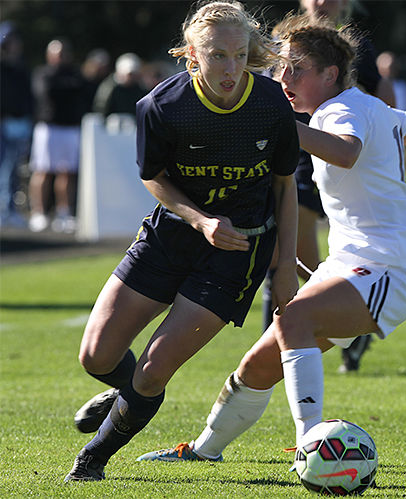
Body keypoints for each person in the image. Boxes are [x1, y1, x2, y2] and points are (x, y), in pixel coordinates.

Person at [134, 13, 406, 464]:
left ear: (331, 74)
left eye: (297, 68)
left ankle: (313, 448)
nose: (283, 77)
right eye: (280, 67)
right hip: (351, 266)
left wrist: (278, 125)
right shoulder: (371, 107)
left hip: (387, 268)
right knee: (257, 366)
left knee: (291, 323)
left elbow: (345, 152)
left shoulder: (343, 110)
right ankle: (204, 451)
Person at [63, 0, 299, 482]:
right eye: (217, 56)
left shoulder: (272, 103)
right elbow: (153, 177)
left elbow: (284, 185)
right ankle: (128, 396)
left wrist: (286, 267)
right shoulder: (161, 106)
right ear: (193, 54)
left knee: (152, 371)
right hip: (172, 235)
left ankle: (92, 460)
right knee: (96, 356)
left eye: (238, 55)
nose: (230, 68)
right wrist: (199, 218)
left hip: (235, 254)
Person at [261, 0, 396, 373]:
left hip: (333, 150)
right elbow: (266, 88)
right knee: (285, 246)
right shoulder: (282, 39)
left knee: (309, 243)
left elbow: (383, 97)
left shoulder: (355, 46)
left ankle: (339, 313)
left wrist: (387, 141)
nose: (321, 1)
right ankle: (315, 312)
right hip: (291, 148)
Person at [28, 38, 87, 233]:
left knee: (67, 172)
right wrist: (66, 89)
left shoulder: (75, 74)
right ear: (50, 55)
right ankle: (39, 212)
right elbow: (47, 93)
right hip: (49, 128)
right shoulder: (43, 73)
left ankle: (64, 213)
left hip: (70, 128)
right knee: (43, 170)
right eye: (57, 54)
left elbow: (79, 92)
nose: (61, 57)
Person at [0, 22, 33, 228]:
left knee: (14, 168)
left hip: (19, 123)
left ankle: (10, 208)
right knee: (5, 166)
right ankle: (4, 209)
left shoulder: (21, 66)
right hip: (3, 123)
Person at [93, 52, 148, 118]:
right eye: (130, 74)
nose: (133, 77)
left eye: (135, 74)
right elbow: (101, 110)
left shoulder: (139, 89)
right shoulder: (109, 88)